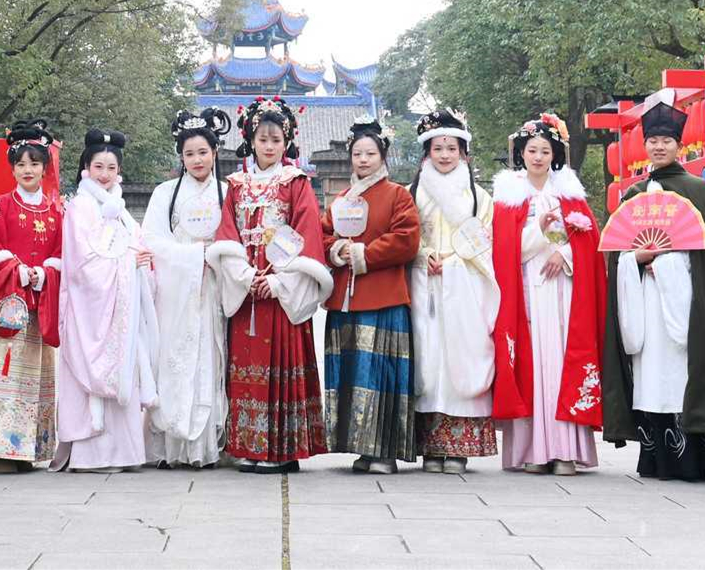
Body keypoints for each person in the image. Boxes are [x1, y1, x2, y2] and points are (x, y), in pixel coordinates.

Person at [601, 103, 705, 486]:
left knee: (695, 375)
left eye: (666, 140)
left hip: (692, 305)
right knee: (655, 377)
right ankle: (663, 461)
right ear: (644, 146)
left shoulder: (699, 192)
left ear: (679, 145)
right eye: (652, 140)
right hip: (646, 306)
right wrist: (636, 259)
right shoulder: (634, 195)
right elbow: (619, 255)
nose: (659, 147)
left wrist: (668, 264)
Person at [207, 95, 331, 472]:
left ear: (287, 142)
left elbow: (307, 233)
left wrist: (279, 282)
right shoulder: (236, 185)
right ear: (250, 140)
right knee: (245, 366)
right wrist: (244, 276)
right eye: (263, 139)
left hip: (280, 292)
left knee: (280, 364)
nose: (270, 146)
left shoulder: (296, 183)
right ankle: (249, 444)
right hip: (247, 290)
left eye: (276, 140)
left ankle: (282, 450)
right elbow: (227, 233)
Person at [492, 114, 604, 475]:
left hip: (564, 289)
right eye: (532, 150)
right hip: (527, 286)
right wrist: (538, 233)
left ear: (554, 154)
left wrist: (565, 254)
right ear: (521, 153)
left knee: (561, 360)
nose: (538, 157)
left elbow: (589, 242)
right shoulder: (508, 197)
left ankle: (565, 450)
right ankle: (533, 451)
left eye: (545, 150)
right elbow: (503, 251)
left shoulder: (568, 193)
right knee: (532, 361)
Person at [0, 119, 63, 472]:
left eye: (35, 163)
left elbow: (64, 254)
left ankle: (28, 448)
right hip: (5, 306)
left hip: (38, 307)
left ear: (45, 168)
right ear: (12, 168)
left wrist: (45, 273)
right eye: (20, 164)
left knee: (33, 377)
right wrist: (15, 269)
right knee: (4, 375)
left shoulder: (58, 212)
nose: (27, 170)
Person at [320, 117, 421, 474]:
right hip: (346, 300)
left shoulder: (398, 195)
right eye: (357, 154)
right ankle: (360, 448)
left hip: (383, 297)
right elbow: (323, 234)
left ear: (383, 157)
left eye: (370, 154)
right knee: (350, 375)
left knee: (381, 375)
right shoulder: (341, 200)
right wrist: (337, 250)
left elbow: (406, 239)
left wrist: (363, 253)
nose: (363, 160)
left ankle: (385, 452)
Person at [57, 128, 159, 471]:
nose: (104, 174)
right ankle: (90, 455)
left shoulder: (123, 210)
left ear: (119, 171)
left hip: (120, 307)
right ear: (86, 168)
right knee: (91, 374)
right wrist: (128, 261)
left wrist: (141, 262)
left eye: (111, 168)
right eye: (98, 167)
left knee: (123, 367)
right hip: (91, 308)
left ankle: (124, 453)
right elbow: (81, 262)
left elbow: (137, 245)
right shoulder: (80, 206)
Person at [408, 108, 499, 472]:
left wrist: (456, 262)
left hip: (465, 287)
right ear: (427, 152)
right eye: (437, 148)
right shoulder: (412, 194)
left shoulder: (480, 198)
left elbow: (487, 242)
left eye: (451, 148)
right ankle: (431, 447)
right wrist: (422, 254)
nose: (444, 155)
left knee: (462, 356)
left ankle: (459, 446)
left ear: (463, 152)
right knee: (428, 358)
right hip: (424, 284)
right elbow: (406, 235)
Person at [142, 109, 234, 468]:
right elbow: (152, 239)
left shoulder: (228, 192)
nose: (197, 160)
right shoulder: (165, 193)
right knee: (173, 359)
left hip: (212, 287)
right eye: (189, 154)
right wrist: (195, 255)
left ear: (215, 152)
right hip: (177, 290)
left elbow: (236, 240)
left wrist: (217, 256)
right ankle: (170, 445)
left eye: (203, 152)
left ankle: (205, 445)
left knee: (210, 359)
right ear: (181, 157)